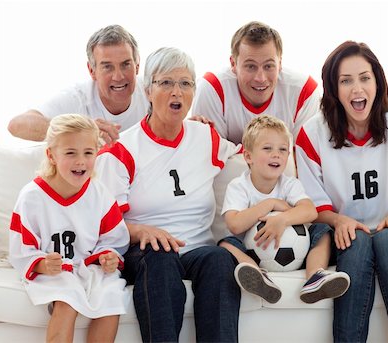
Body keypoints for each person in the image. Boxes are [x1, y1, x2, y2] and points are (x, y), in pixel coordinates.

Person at [96, 47, 242, 342]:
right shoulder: (122, 151)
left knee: (219, 259)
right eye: (166, 83)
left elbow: (251, 155)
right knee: (161, 258)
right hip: (146, 253)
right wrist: (142, 231)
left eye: (186, 83)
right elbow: (104, 223)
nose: (177, 92)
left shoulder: (206, 137)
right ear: (147, 91)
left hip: (196, 249)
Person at [295, 41, 388, 342]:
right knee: (358, 242)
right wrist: (338, 221)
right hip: (348, 237)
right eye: (346, 80)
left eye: (364, 77)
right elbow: (314, 206)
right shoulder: (311, 134)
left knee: (384, 240)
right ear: (333, 88)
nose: (357, 88)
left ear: (377, 82)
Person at [8, 114, 130, 343]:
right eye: (70, 153)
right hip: (53, 271)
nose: (81, 161)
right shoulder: (32, 197)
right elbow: (20, 248)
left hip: (88, 266)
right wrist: (43, 263)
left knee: (111, 296)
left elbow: (114, 238)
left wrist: (107, 256)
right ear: (51, 155)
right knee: (66, 296)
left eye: (88, 152)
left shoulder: (99, 194)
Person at [220, 115, 350, 304]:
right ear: (248, 156)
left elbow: (310, 212)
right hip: (253, 252)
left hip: (297, 252)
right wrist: (271, 204)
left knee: (323, 232)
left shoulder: (289, 184)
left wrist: (282, 219)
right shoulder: (239, 186)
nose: (276, 154)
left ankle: (315, 276)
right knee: (225, 244)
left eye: (283, 149)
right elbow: (234, 224)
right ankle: (257, 275)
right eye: (267, 148)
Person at [7, 24, 149, 145]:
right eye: (107, 67)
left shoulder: (152, 91)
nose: (118, 76)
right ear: (92, 71)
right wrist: (79, 130)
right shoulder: (78, 98)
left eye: (126, 64)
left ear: (137, 65)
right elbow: (17, 125)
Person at [191, 21, 320, 146]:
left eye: (268, 66)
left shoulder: (304, 91)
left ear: (280, 63)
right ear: (233, 64)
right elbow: (210, 158)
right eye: (250, 66)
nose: (260, 78)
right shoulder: (212, 88)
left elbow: (302, 161)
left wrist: (230, 151)